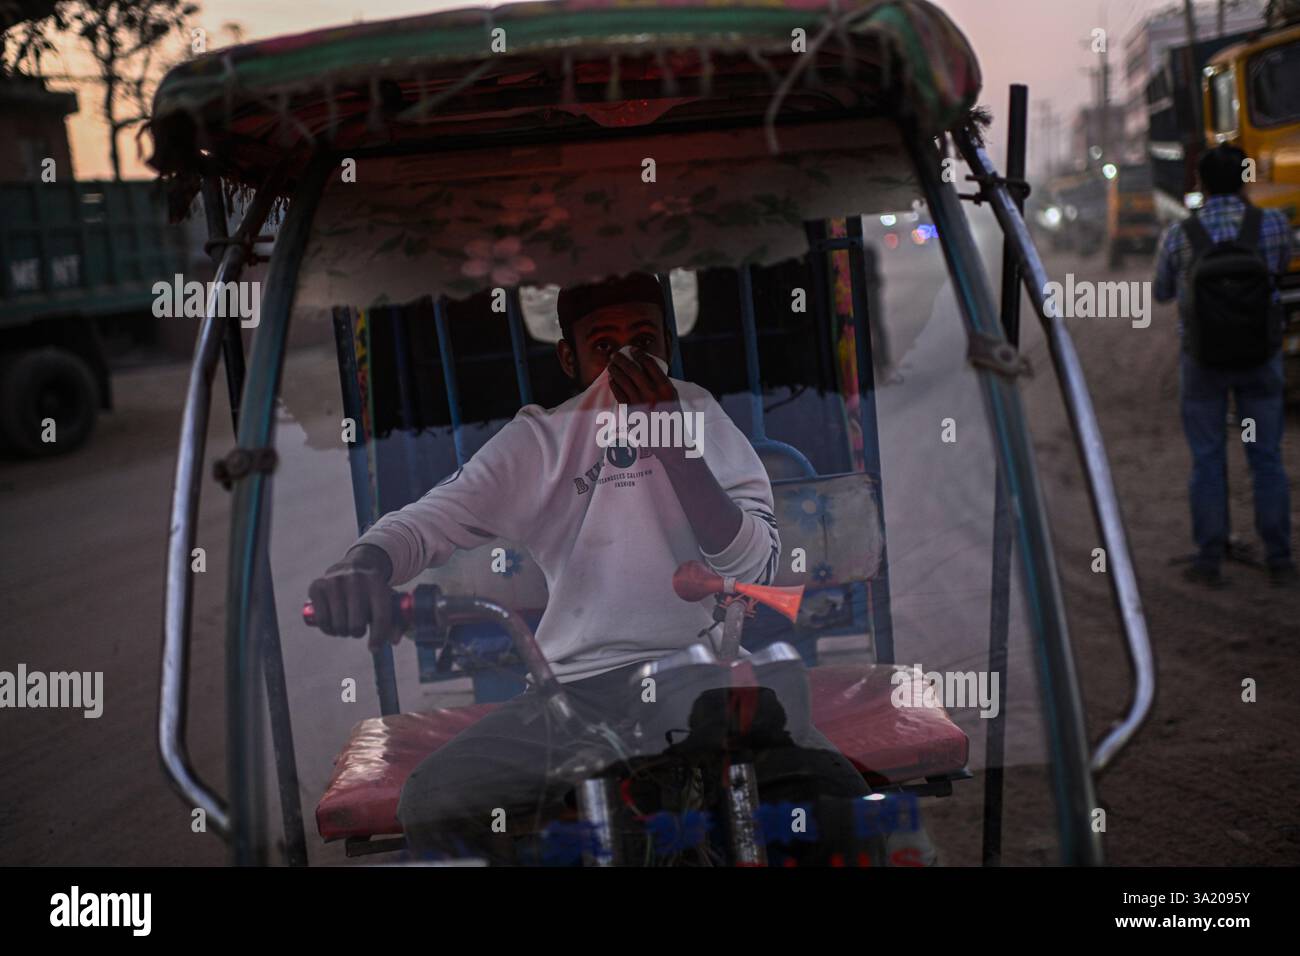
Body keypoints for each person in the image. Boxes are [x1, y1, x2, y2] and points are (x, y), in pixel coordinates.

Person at [307, 272, 889, 863]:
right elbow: (426, 522)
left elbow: (752, 562)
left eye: (644, 339)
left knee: (839, 807)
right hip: (573, 698)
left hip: (705, 679)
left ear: (668, 345)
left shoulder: (701, 414)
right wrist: (364, 566)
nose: (628, 357)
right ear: (569, 358)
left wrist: (673, 446)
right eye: (604, 346)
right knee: (435, 802)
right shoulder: (541, 440)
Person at [1153, 144, 1295, 588]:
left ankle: (1210, 557)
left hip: (1203, 363)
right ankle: (1279, 559)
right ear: (1245, 179)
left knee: (1208, 457)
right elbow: (1279, 267)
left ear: (1202, 184)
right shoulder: (1271, 224)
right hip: (1260, 357)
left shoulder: (1180, 234)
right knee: (1267, 458)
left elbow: (1161, 292)